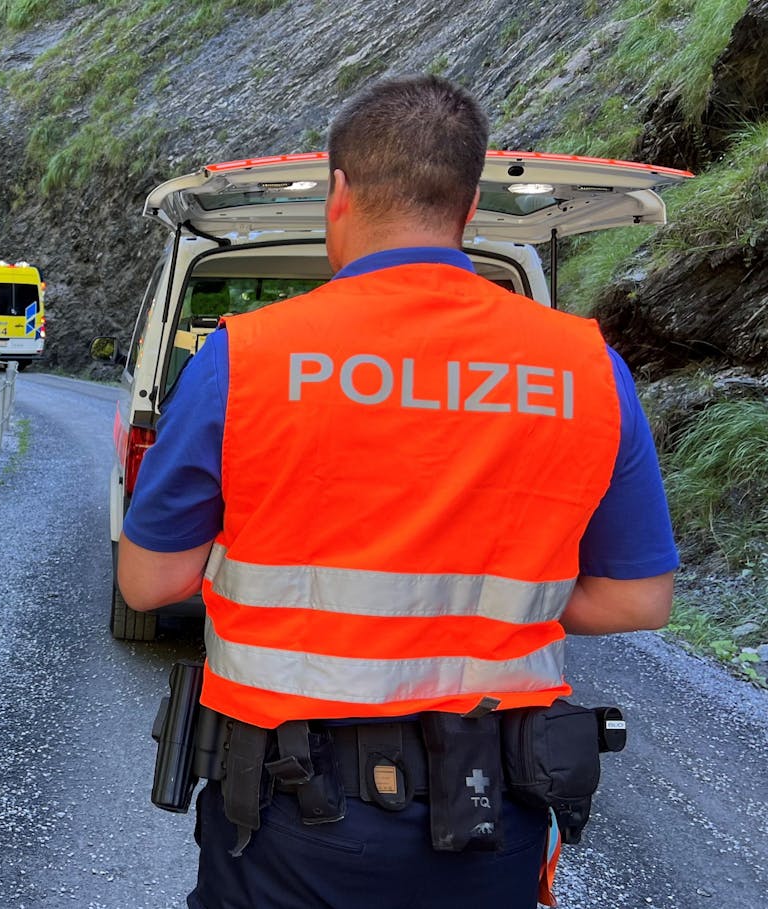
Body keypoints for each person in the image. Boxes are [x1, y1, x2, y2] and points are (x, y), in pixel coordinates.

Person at [117, 75, 676, 909]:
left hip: (287, 812)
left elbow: (149, 582)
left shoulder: (249, 358)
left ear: (340, 194)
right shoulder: (587, 369)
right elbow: (638, 598)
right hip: (492, 808)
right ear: (468, 207)